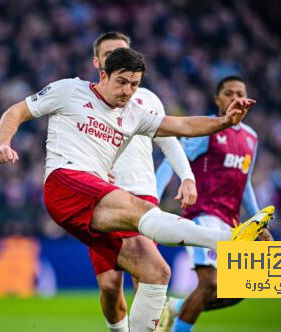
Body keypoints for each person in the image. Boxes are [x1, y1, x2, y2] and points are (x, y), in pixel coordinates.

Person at [0, 48, 274, 332]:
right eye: (122, 82)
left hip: (96, 199)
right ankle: (227, 240)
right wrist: (3, 142)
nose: (128, 91)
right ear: (103, 75)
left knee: (157, 272)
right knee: (141, 215)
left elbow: (182, 125)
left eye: (135, 84)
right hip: (65, 182)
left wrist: (224, 121)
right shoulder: (69, 90)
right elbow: (16, 111)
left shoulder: (135, 113)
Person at [89, 32, 197, 332]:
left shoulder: (147, 99)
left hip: (140, 195)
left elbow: (170, 141)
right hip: (101, 198)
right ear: (98, 63)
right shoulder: (84, 101)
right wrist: (92, 169)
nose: (116, 58)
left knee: (147, 277)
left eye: (122, 52)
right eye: (109, 54)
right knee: (110, 287)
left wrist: (187, 177)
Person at [154, 76, 273, 332]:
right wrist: (151, 199)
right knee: (209, 284)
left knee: (237, 291)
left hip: (231, 223)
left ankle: (175, 308)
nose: (234, 97)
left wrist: (259, 221)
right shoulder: (207, 129)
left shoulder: (251, 137)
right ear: (218, 99)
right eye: (228, 93)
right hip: (202, 216)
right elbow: (171, 161)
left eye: (240, 92)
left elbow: (246, 183)